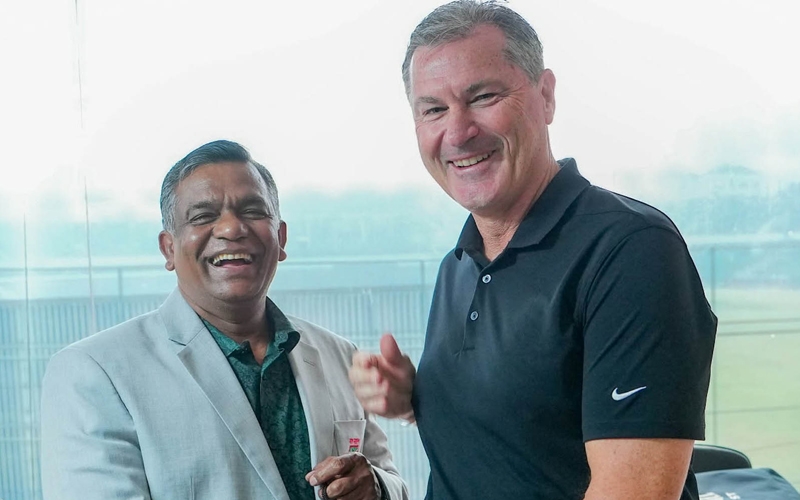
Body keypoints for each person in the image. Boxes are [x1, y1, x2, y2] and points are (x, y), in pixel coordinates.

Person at [349, 1, 717, 499]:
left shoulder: (632, 252)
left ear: (545, 96)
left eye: (483, 97)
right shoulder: (459, 264)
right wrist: (413, 399)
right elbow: (521, 428)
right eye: (433, 109)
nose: (457, 132)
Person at [40, 140, 408, 500]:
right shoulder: (95, 372)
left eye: (252, 211)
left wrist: (377, 487)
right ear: (169, 248)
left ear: (280, 238)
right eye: (203, 216)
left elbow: (392, 482)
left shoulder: (340, 355)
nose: (232, 228)